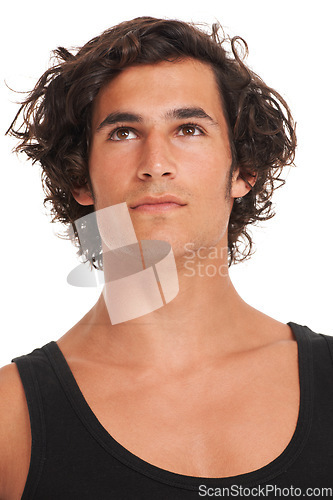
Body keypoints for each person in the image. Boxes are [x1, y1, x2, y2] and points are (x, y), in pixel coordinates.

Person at [1, 16, 332, 500]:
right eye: (123, 133)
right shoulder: (10, 420)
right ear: (80, 176)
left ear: (245, 169)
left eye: (189, 128)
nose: (155, 163)